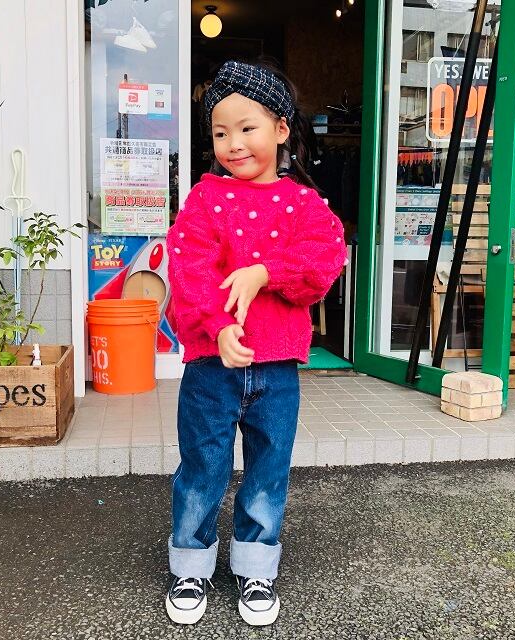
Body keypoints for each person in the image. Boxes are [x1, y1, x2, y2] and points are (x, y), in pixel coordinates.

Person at [164, 60, 348, 626]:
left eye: (247, 128)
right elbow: (188, 267)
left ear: (281, 128)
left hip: (278, 368)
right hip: (210, 365)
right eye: (221, 132)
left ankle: (256, 568)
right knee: (202, 466)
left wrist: (264, 272)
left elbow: (323, 260)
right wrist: (218, 326)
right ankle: (190, 564)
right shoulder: (205, 199)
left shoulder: (304, 204)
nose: (234, 143)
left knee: (269, 469)